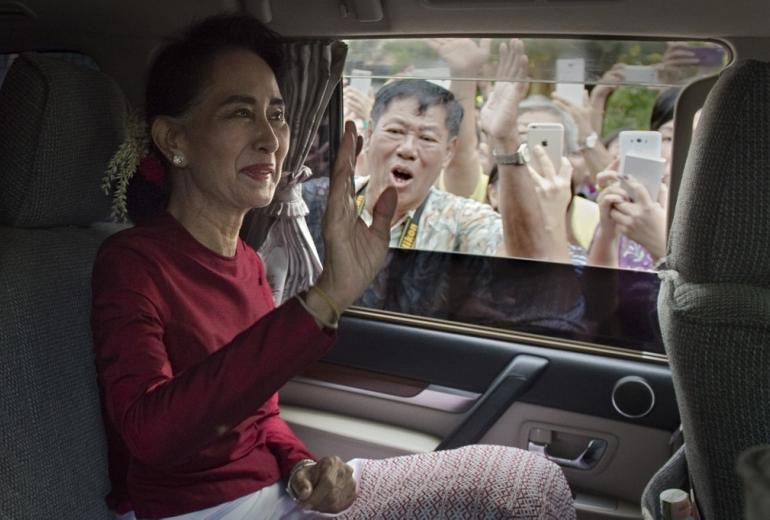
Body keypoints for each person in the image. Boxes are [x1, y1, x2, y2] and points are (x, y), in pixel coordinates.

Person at [92, 14, 574, 520]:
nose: (270, 139)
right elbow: (150, 435)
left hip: (274, 496)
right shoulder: (132, 262)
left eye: (276, 115)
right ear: (174, 139)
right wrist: (323, 298)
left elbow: (261, 416)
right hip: (193, 511)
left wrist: (303, 466)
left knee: (523, 484)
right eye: (239, 113)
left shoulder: (250, 263)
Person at [306, 40, 576, 264]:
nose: (408, 149)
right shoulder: (321, 199)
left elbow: (527, 262)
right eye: (396, 132)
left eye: (426, 138)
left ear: (449, 153)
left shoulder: (460, 221)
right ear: (370, 134)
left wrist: (505, 142)